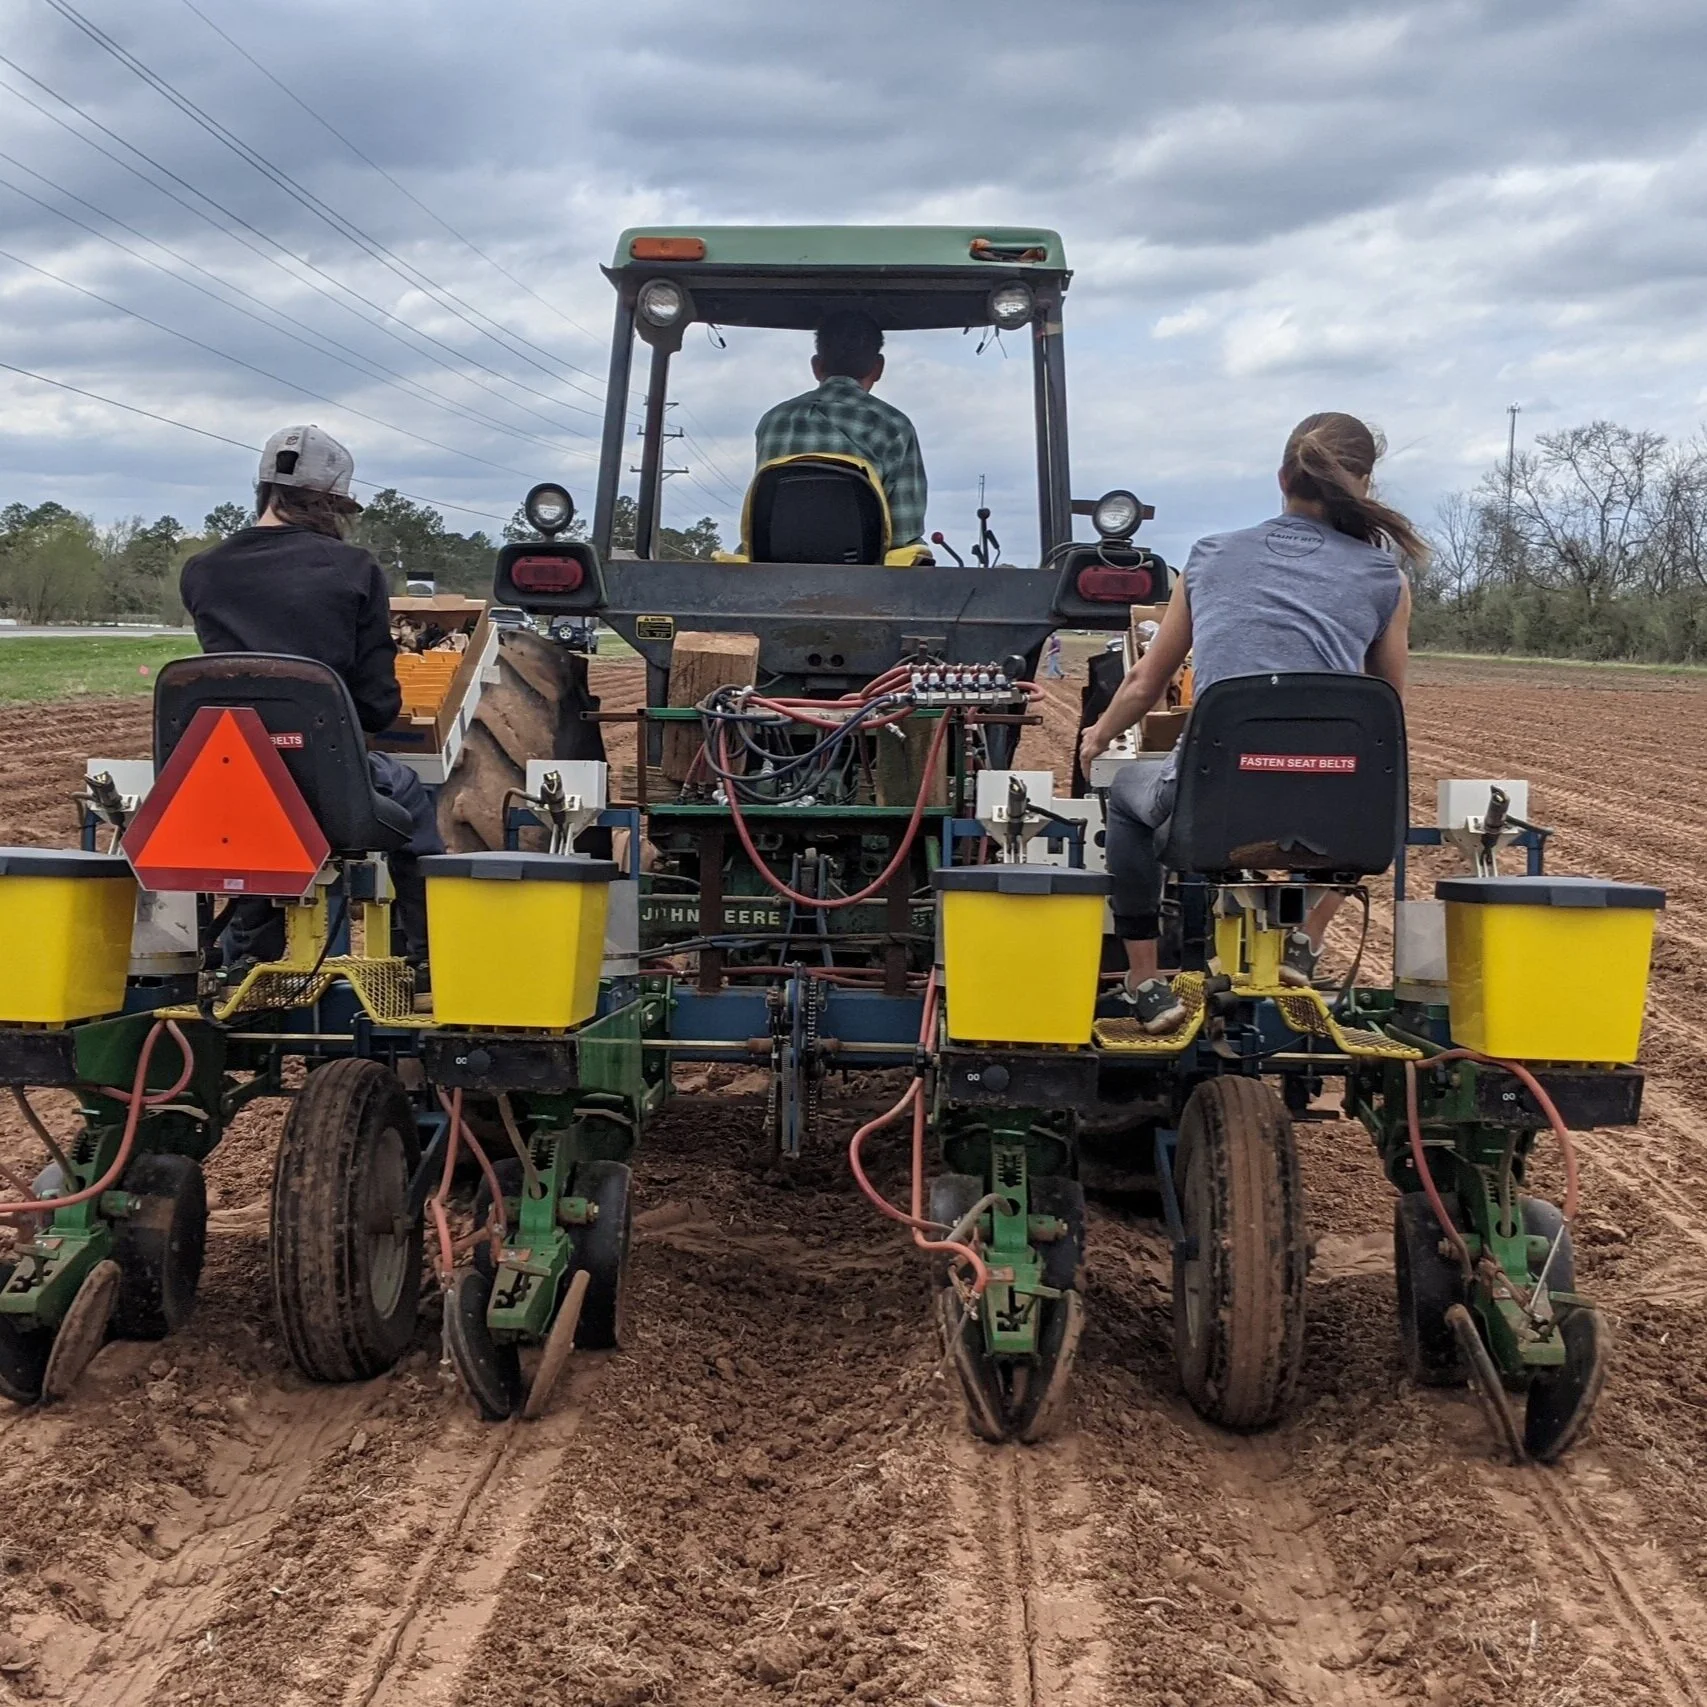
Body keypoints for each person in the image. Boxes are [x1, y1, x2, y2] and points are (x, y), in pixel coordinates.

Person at [1078, 412, 1421, 1033]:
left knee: (1126, 801)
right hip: (1328, 797)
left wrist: (1097, 737)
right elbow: (1384, 712)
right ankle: (1306, 943)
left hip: (1214, 798)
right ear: (1363, 486)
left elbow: (1144, 683)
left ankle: (1146, 980)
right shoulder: (1385, 580)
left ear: (1282, 476)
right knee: (1379, 791)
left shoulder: (1208, 558)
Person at [178, 424, 444, 968]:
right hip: (324, 782)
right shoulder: (354, 570)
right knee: (410, 795)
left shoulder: (202, 572)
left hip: (222, 780)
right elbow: (375, 705)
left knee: (265, 809)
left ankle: (246, 963)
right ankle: (430, 964)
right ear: (326, 502)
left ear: (264, 491)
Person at [755, 310, 927, 545]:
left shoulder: (773, 420)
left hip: (770, 566)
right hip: (866, 574)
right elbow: (905, 531)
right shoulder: (894, 426)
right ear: (878, 368)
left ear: (816, 366)